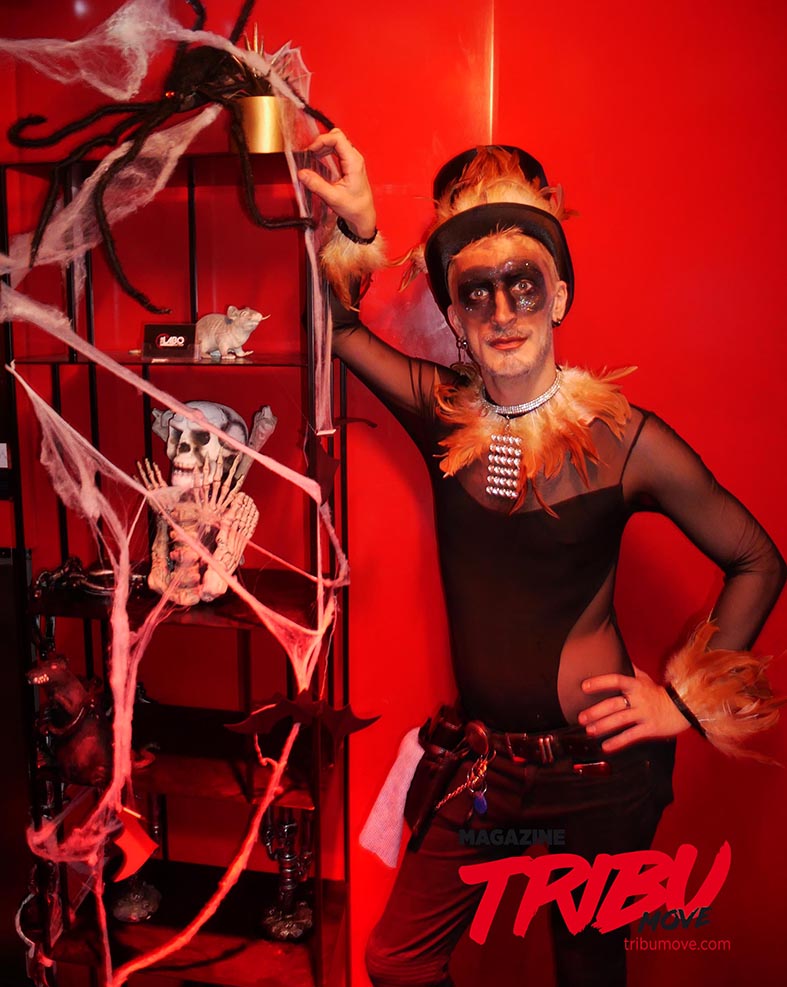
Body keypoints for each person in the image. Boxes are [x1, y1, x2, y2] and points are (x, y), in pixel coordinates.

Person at [297, 131, 786, 987]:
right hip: (484, 768)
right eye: (475, 292)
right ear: (454, 316)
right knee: (395, 960)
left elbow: (756, 558)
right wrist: (359, 229)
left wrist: (682, 701)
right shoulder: (441, 412)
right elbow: (334, 329)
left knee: (587, 966)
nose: (501, 311)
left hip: (599, 774)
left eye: (522, 283)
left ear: (557, 295)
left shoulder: (624, 441)